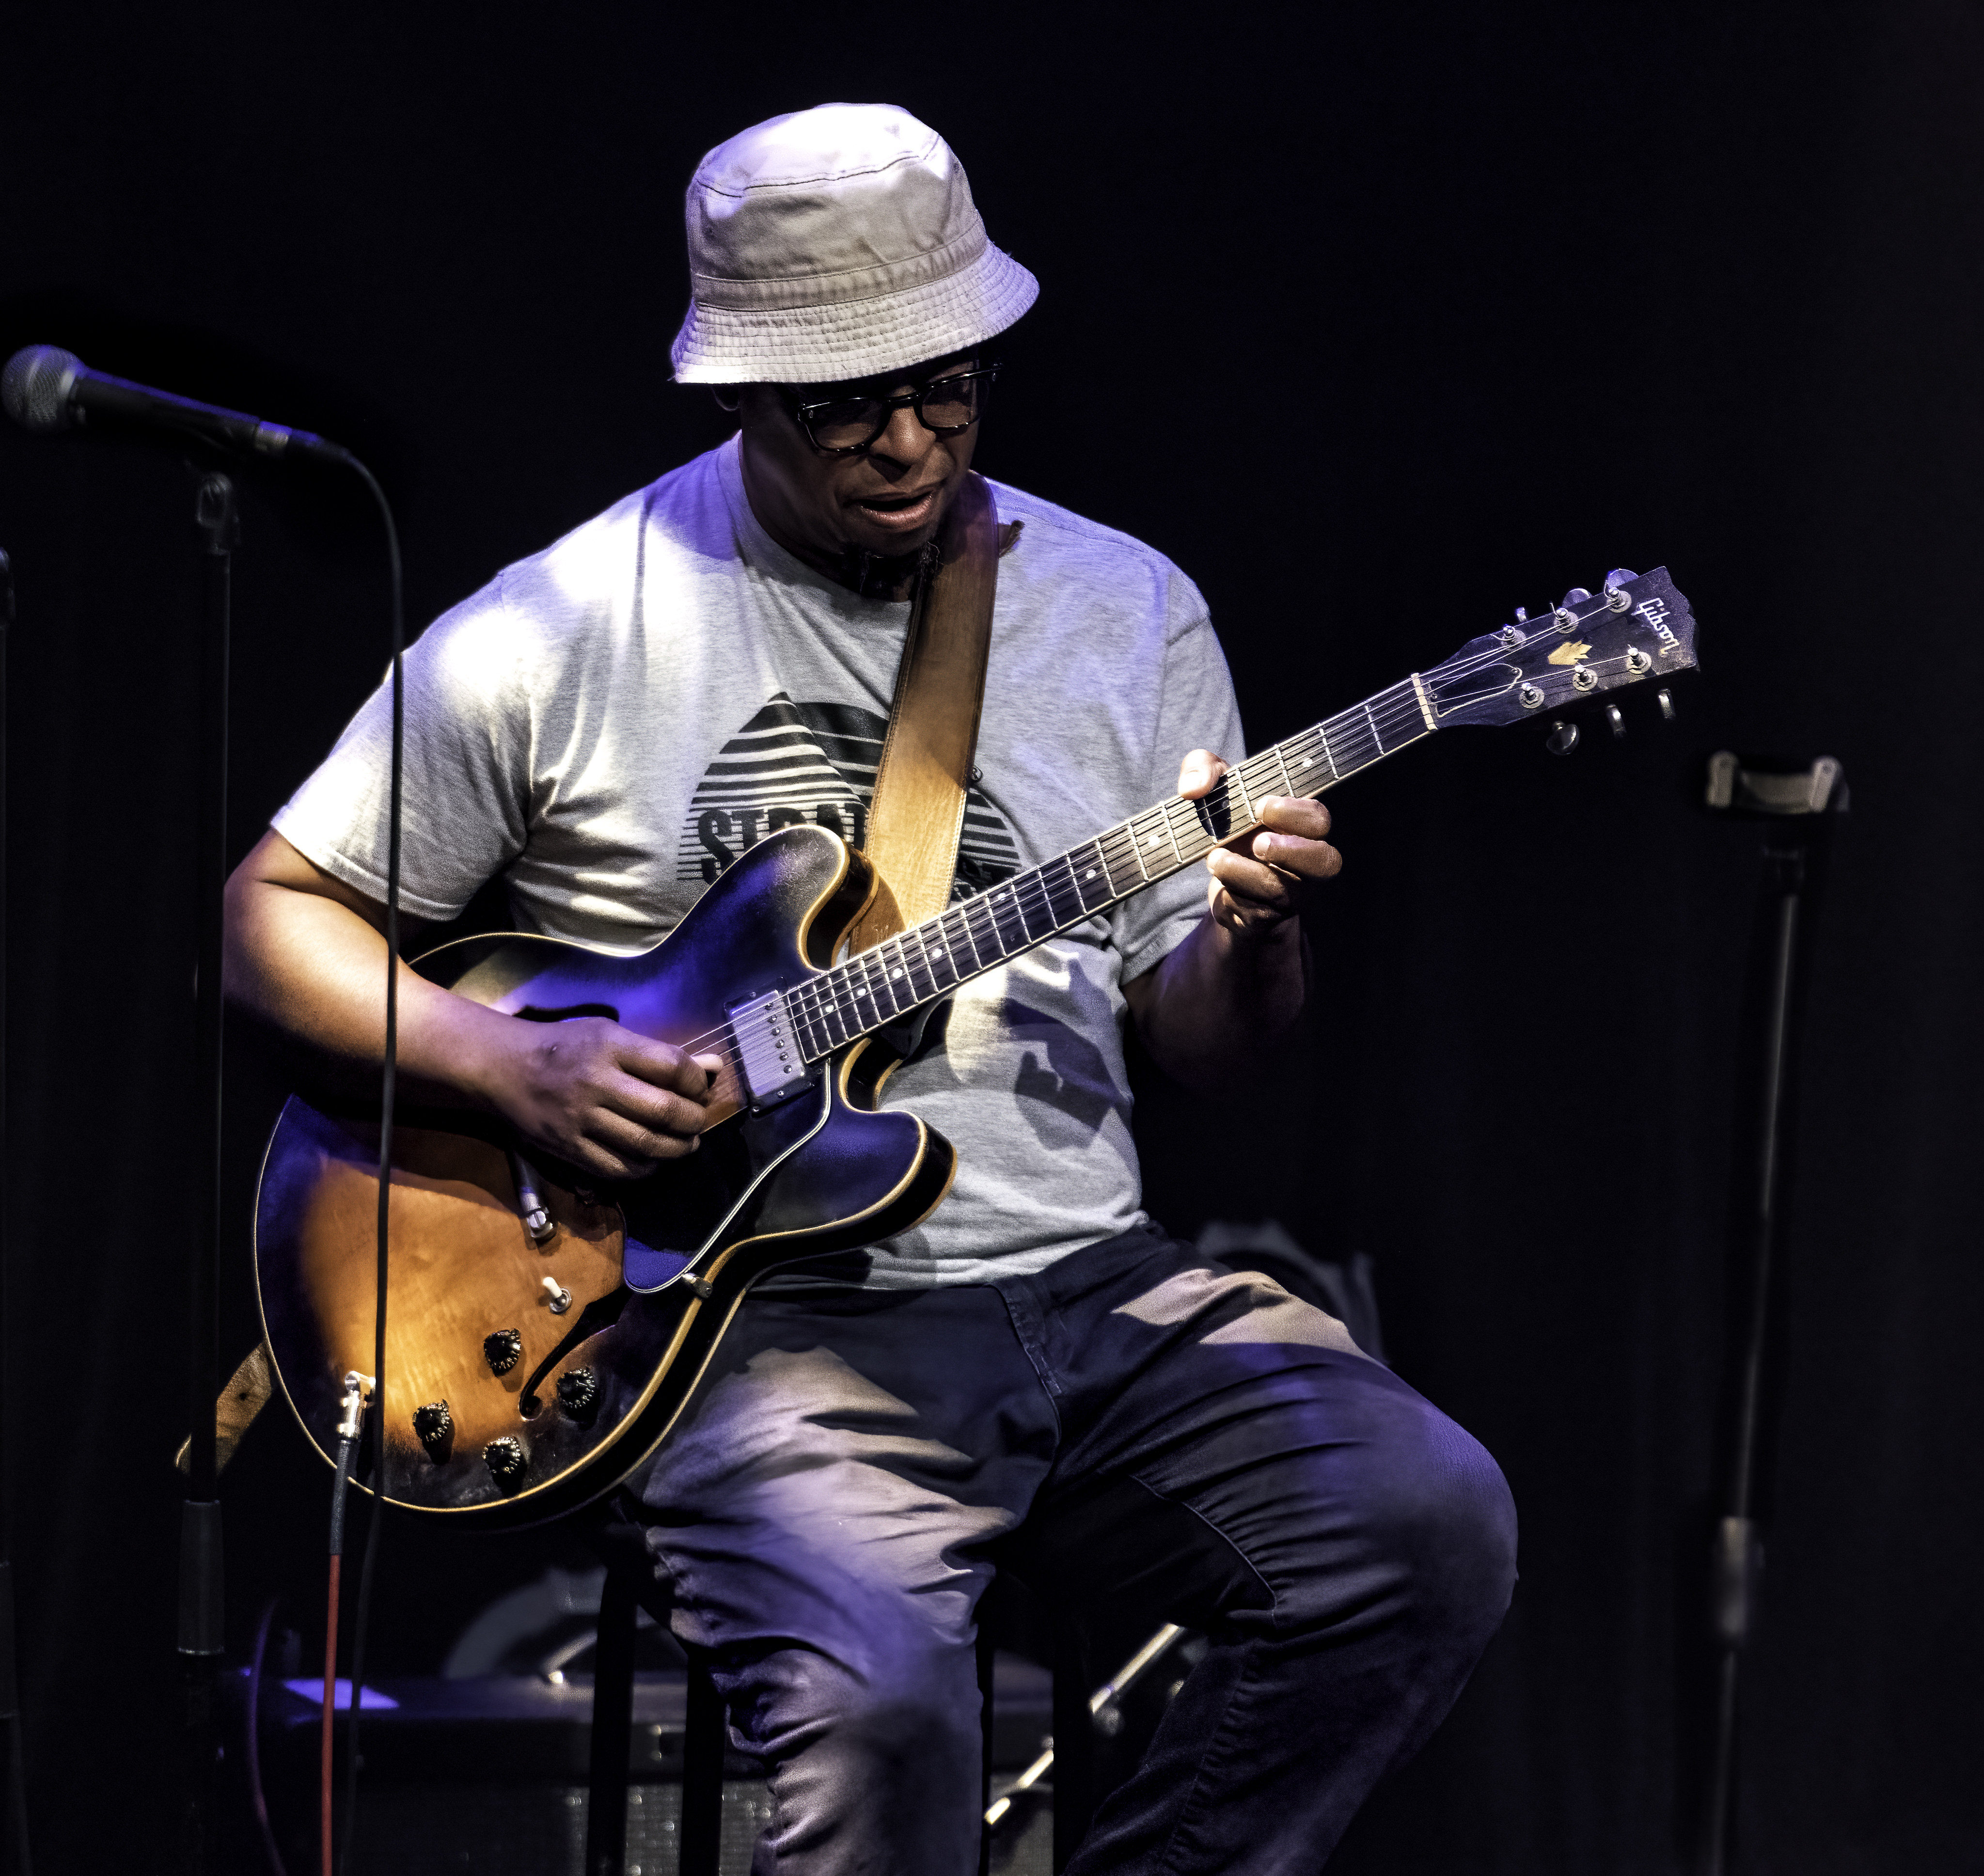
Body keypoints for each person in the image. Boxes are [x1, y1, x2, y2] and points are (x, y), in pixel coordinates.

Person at [225, 103, 1516, 1874]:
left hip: (1085, 1291)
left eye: (951, 386)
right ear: (740, 391)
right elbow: (272, 912)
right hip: (762, 1338)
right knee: (889, 1719)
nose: (910, 440)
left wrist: (1253, 934)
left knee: (1428, 1525)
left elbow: (1199, 1046)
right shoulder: (572, 621)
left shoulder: (1129, 609)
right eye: (846, 402)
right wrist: (510, 1072)